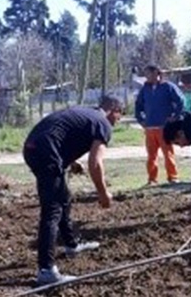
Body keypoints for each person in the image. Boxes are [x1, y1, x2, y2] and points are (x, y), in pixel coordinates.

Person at [23, 95, 124, 285]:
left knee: (64, 198)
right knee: (52, 210)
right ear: (113, 110)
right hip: (46, 153)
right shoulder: (103, 122)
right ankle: (46, 271)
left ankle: (71, 245)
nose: (116, 123)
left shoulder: (87, 114)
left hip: (33, 148)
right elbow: (95, 163)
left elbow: (63, 133)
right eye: (118, 117)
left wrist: (70, 161)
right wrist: (103, 194)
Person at [134, 64, 185, 185]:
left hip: (164, 127)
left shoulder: (167, 87)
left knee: (167, 153)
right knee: (151, 155)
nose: (147, 77)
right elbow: (138, 105)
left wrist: (175, 116)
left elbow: (181, 101)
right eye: (146, 74)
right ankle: (152, 179)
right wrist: (141, 120)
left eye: (149, 73)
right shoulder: (145, 89)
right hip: (150, 128)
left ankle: (172, 177)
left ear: (157, 73)